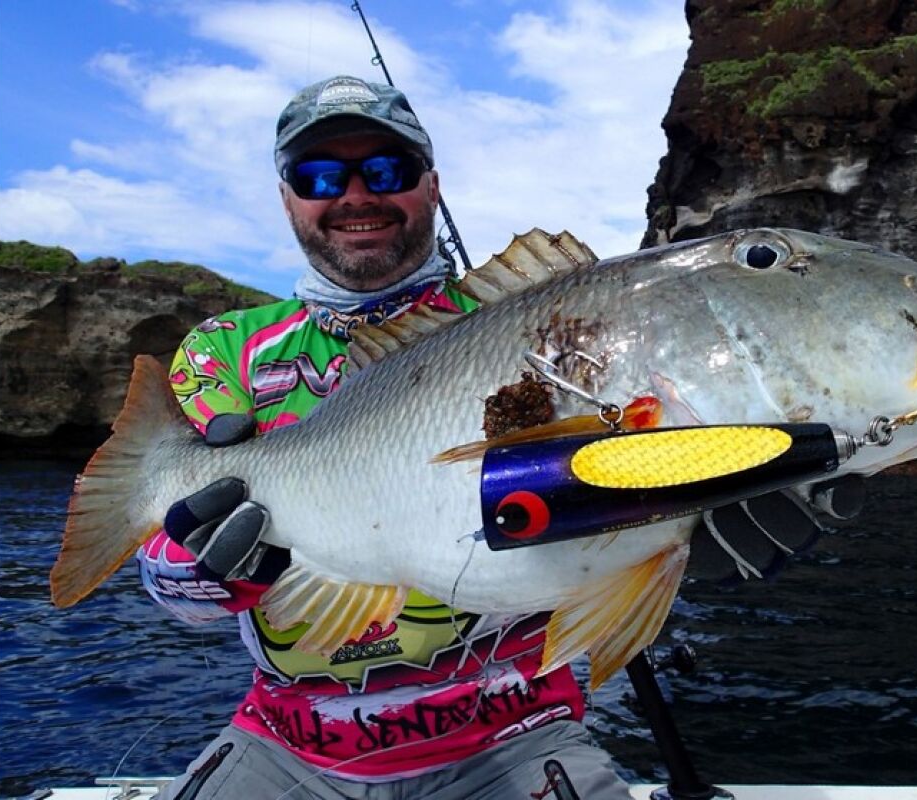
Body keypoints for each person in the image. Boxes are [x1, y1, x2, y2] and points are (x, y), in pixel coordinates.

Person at [143, 75, 863, 800]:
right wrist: (208, 566)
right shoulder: (223, 350)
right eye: (320, 176)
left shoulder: (538, 315)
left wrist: (690, 521)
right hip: (283, 745)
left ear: (431, 185)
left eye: (387, 170)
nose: (356, 195)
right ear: (287, 197)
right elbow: (166, 581)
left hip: (519, 742)